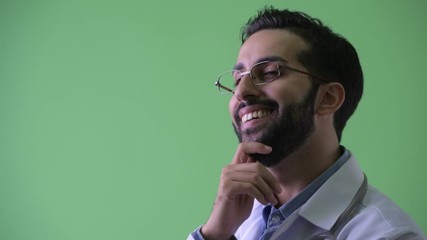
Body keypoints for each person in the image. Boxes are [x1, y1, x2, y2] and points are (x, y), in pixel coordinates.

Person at [188, 7, 426, 240]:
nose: (241, 91)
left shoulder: (388, 235)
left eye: (270, 72)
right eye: (238, 78)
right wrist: (214, 235)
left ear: (327, 99)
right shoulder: (236, 218)